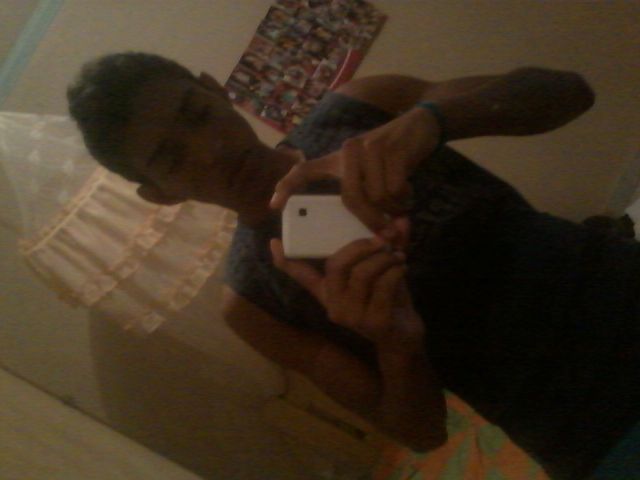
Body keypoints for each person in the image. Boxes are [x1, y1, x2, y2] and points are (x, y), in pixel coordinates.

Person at [66, 52, 639, 480]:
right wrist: (395, 342)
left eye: (197, 114)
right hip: (588, 430)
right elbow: (419, 432)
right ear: (160, 194)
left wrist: (432, 120)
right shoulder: (251, 299)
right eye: (171, 158)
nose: (210, 150)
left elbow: (570, 92)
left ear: (216, 90)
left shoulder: (361, 107)